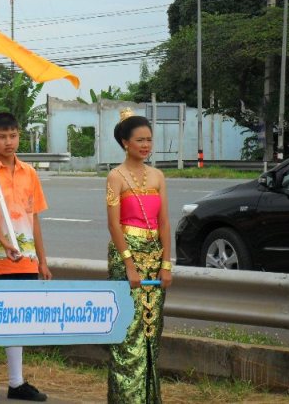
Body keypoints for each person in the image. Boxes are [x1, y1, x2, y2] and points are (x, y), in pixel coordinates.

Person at [0, 112, 50, 403]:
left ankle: (16, 383)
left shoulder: (29, 172)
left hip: (25, 258)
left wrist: (42, 260)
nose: (8, 141)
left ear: (19, 136)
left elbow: (35, 218)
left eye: (13, 135)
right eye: (2, 136)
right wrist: (5, 243)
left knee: (17, 319)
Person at [105, 109, 173, 404]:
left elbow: (165, 222)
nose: (146, 145)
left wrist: (166, 264)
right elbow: (113, 224)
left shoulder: (158, 176)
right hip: (127, 258)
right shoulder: (115, 177)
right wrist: (129, 265)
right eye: (140, 140)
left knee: (151, 334)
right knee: (129, 334)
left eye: (149, 140)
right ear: (125, 142)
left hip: (154, 258)